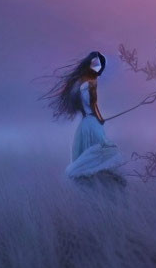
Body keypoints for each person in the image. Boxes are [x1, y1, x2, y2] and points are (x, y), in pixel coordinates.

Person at [45, 51, 126, 184]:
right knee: (103, 151)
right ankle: (108, 180)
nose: (97, 68)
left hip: (84, 125)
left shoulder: (80, 81)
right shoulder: (92, 82)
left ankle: (89, 180)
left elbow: (86, 106)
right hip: (93, 123)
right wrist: (100, 119)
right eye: (96, 65)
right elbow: (94, 104)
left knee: (87, 152)